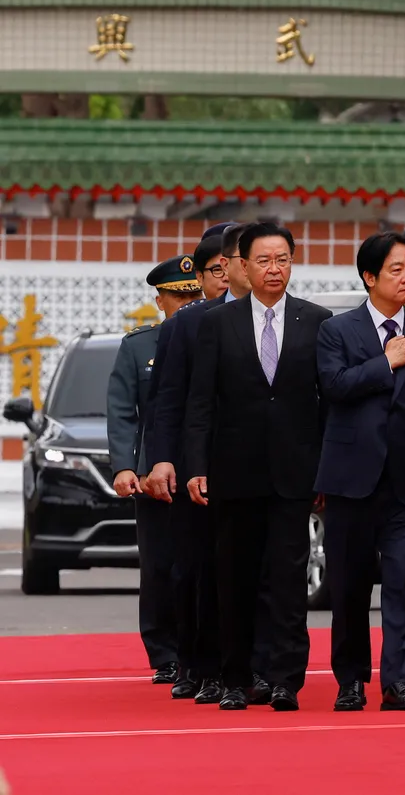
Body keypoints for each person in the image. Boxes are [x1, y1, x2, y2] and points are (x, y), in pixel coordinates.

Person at [184, 222, 333, 711]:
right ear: (241, 266)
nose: (275, 269)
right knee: (236, 579)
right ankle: (235, 678)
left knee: (289, 581)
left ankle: (285, 678)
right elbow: (200, 401)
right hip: (234, 471)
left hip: (296, 472)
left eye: (283, 260)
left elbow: (328, 403)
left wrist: (326, 468)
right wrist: (196, 465)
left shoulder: (318, 321)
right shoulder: (215, 324)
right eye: (264, 261)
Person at [315, 232, 405, 713]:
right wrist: (386, 361)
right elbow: (334, 386)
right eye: (396, 269)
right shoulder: (337, 331)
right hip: (351, 478)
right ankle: (350, 680)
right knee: (349, 586)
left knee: (403, 581)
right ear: (370, 277)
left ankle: (398, 681)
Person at [142, 230, 234, 704]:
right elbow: (166, 402)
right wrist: (161, 460)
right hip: (190, 466)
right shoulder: (185, 325)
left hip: (245, 464)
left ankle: (240, 666)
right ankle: (194, 663)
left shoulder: (268, 319)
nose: (225, 277)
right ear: (202, 277)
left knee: (240, 571)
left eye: (230, 266)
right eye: (216, 270)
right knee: (192, 569)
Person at [108, 255, 202, 684]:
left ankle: (196, 650)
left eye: (193, 296)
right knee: (161, 566)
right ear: (160, 299)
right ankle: (164, 651)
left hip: (203, 470)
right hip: (155, 474)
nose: (186, 305)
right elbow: (124, 413)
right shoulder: (138, 346)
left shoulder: (214, 335)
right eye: (177, 298)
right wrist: (126, 466)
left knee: (199, 566)